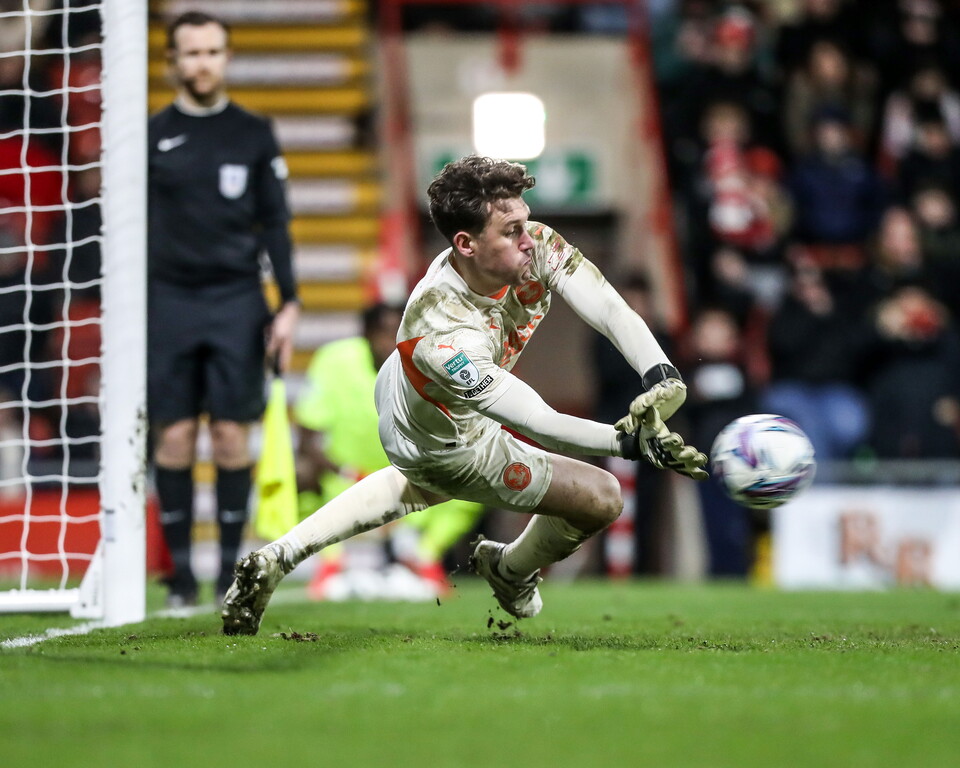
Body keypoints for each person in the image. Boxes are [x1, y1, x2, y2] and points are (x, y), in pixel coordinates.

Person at [221, 155, 707, 636]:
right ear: (466, 244)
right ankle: (511, 570)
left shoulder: (531, 245)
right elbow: (536, 420)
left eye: (525, 222)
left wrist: (662, 375)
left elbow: (608, 307)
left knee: (412, 488)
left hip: (412, 389)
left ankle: (277, 556)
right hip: (441, 438)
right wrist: (629, 443)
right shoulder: (443, 331)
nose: (529, 239)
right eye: (511, 232)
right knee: (601, 496)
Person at [148, 11, 298, 607]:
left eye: (212, 51)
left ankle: (230, 577)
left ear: (227, 58)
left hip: (237, 299)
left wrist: (289, 301)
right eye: (191, 52)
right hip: (167, 300)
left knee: (232, 436)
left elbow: (276, 222)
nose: (203, 62)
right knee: (175, 437)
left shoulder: (253, 132)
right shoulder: (151, 134)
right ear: (172, 62)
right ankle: (182, 579)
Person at [294, 302, 484, 599]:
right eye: (383, 333)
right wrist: (349, 473)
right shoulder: (334, 360)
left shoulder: (431, 363)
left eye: (398, 334)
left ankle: (424, 556)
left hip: (410, 481)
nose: (390, 343)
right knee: (299, 472)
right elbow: (306, 439)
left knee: (478, 474)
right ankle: (330, 562)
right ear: (365, 334)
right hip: (346, 481)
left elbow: (454, 436)